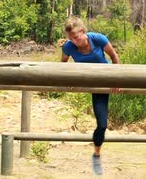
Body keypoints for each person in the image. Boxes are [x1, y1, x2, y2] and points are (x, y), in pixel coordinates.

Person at [61, 16, 120, 176]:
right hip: (84, 80)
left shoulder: (98, 39)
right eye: (70, 38)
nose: (73, 41)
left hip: (102, 81)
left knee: (102, 125)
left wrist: (115, 80)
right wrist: (69, 81)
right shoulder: (68, 47)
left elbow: (114, 57)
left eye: (76, 37)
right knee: (101, 124)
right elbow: (63, 66)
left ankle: (96, 154)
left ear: (83, 31)